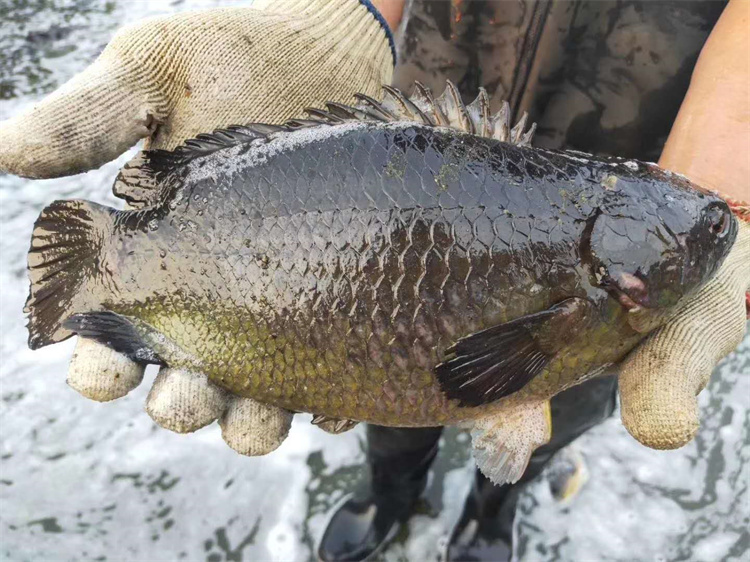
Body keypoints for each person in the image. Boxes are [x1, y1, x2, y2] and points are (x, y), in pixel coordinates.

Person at [0, 1, 747, 560]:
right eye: (702, 225)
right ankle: (390, 496)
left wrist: (725, 164)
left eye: (700, 226)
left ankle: (492, 514)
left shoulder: (605, 263)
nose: (715, 222)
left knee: (565, 403)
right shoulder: (602, 276)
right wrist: (350, 12)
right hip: (435, 64)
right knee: (394, 406)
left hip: (653, 110)